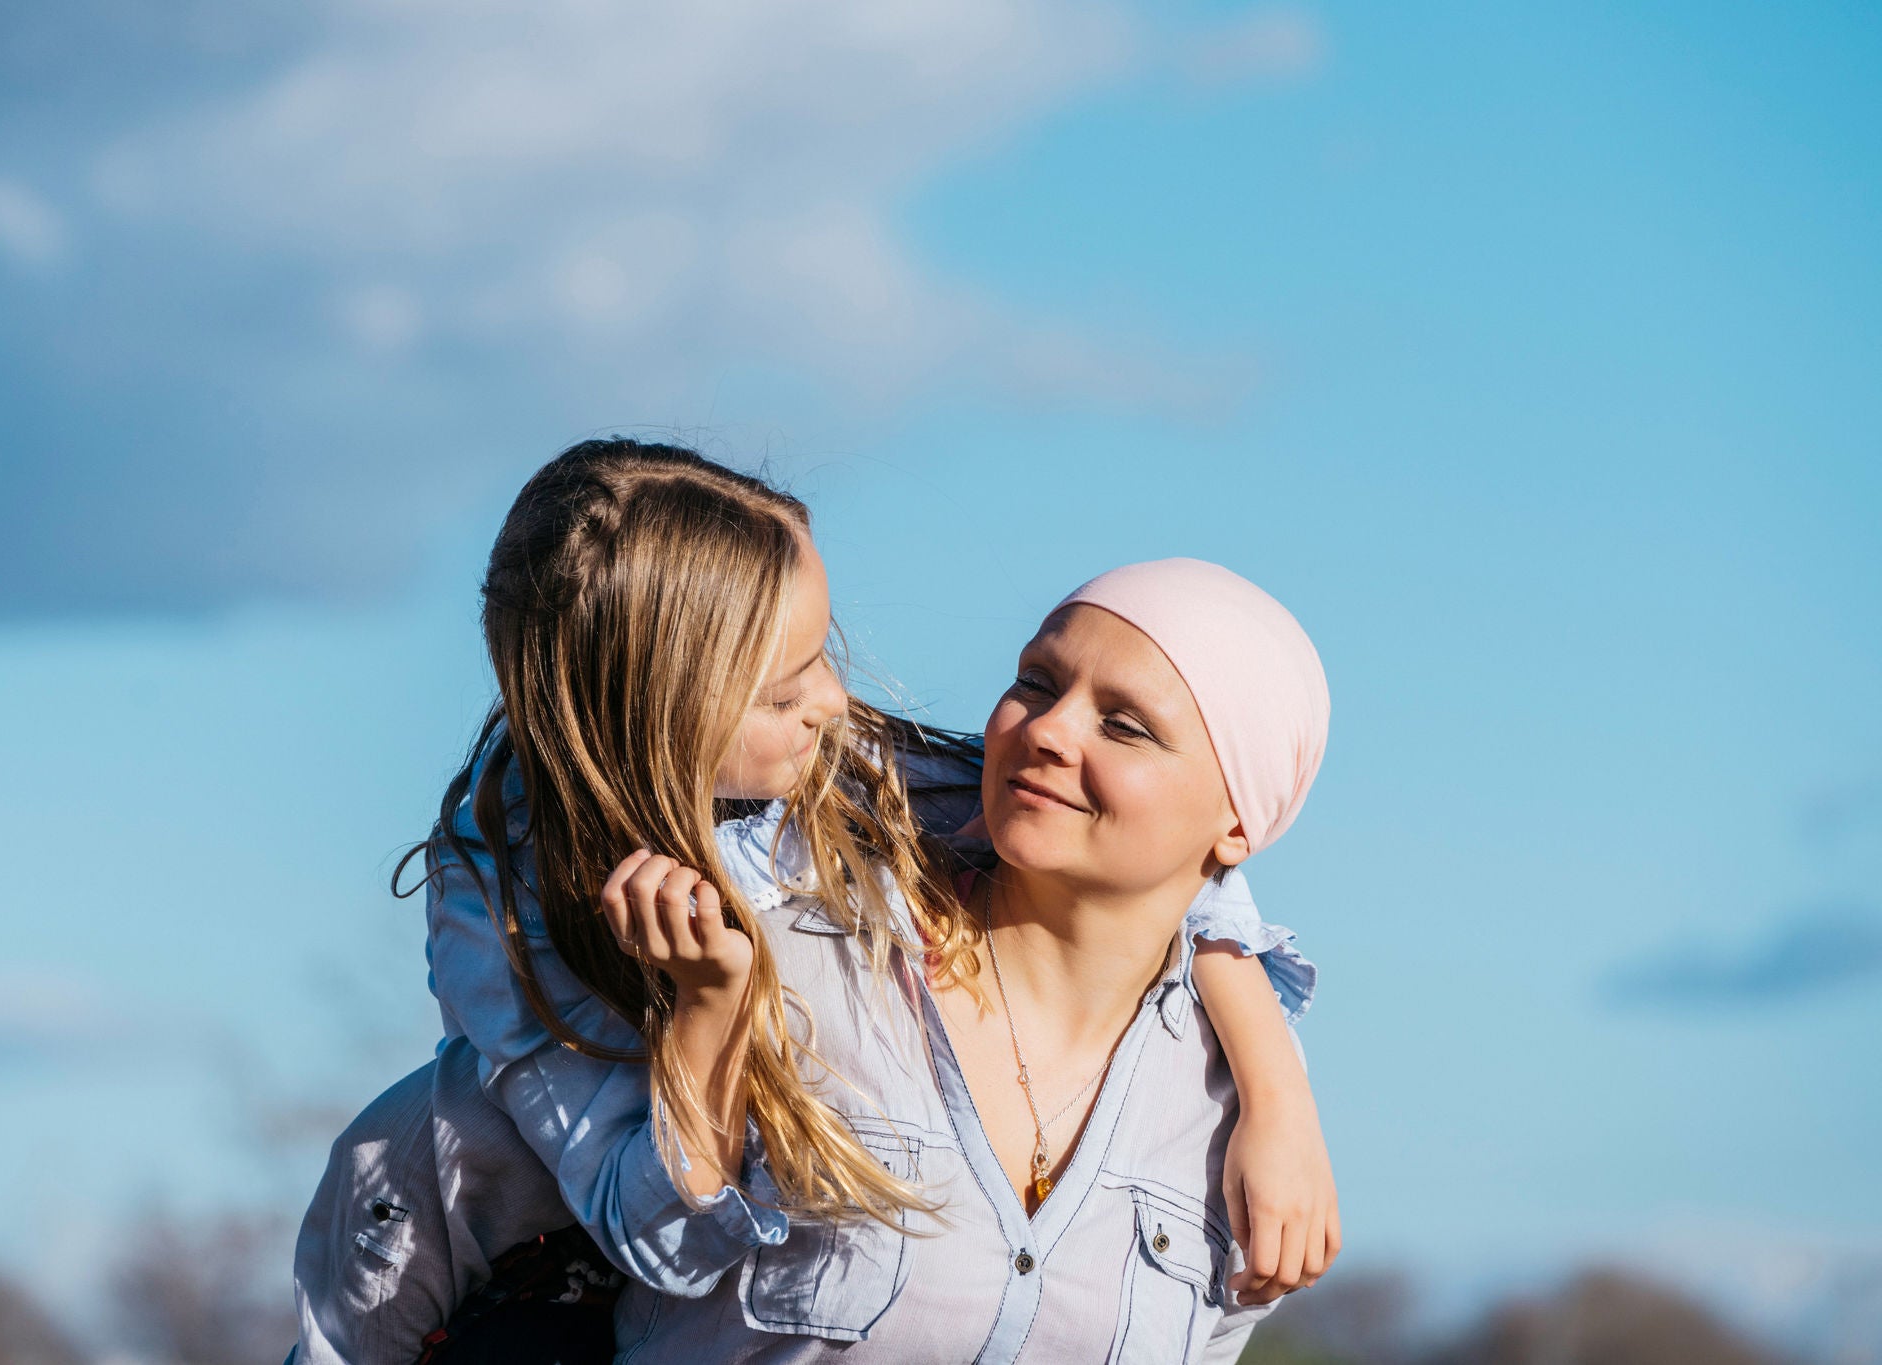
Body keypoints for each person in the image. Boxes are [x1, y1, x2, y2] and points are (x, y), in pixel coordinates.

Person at [292, 441, 1335, 1362]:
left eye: (821, 658)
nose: (835, 708)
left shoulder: (857, 791)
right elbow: (627, 1227)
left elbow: (1176, 868)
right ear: (656, 712)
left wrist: (1272, 1090)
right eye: (783, 689)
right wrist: (707, 1015)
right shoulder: (528, 911)